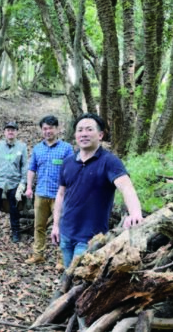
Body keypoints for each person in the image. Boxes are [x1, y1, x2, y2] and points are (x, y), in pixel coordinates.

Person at [51, 113, 144, 269]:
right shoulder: (68, 163)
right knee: (68, 274)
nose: (84, 134)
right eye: (80, 130)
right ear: (75, 135)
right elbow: (61, 194)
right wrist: (55, 225)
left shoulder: (109, 162)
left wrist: (135, 213)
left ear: (100, 135)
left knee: (79, 279)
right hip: (66, 233)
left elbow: (126, 187)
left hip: (90, 238)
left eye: (89, 129)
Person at [24, 115, 74, 267]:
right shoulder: (38, 148)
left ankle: (61, 259)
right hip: (40, 193)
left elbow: (71, 170)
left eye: (51, 128)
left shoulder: (66, 148)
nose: (48, 131)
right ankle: (38, 254)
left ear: (57, 129)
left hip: (59, 195)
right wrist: (28, 187)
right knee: (39, 226)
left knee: (61, 227)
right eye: (45, 128)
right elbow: (32, 169)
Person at [0, 121, 28, 243]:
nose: (10, 132)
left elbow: (24, 166)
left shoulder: (22, 147)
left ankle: (15, 233)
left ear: (16, 132)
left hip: (14, 182)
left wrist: (23, 182)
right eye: (8, 130)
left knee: (14, 209)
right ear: (4, 132)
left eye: (13, 130)